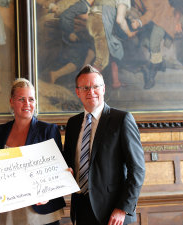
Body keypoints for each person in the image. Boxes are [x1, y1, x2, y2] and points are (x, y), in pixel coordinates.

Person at [63, 64, 145, 225]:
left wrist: (123, 208)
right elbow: (67, 164)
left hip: (113, 213)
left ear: (104, 89)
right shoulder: (73, 123)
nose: (91, 92)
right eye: (85, 87)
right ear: (77, 92)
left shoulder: (122, 119)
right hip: (81, 208)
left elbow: (138, 169)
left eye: (95, 87)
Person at [0, 78, 66, 225]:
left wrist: (48, 193)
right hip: (8, 209)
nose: (27, 104)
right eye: (21, 99)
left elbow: (59, 170)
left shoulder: (48, 130)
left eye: (31, 99)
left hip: (41, 210)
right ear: (11, 102)